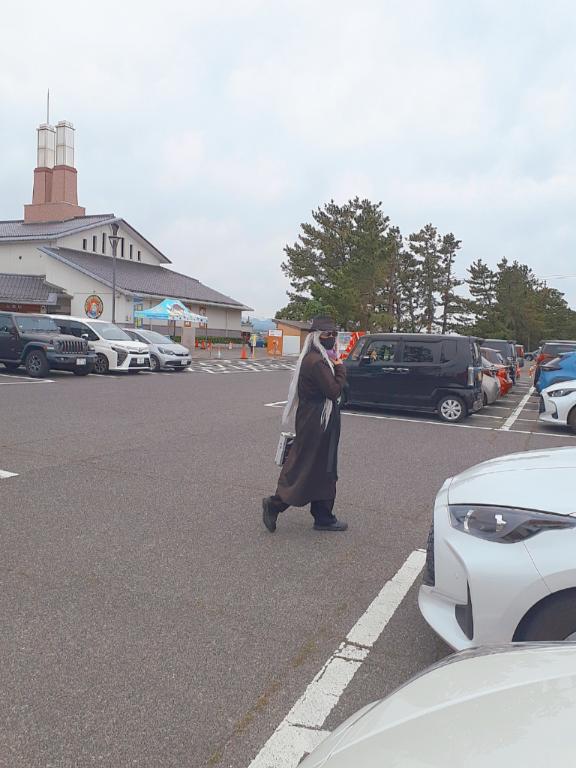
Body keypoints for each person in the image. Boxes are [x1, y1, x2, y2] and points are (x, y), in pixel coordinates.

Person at [262, 316, 348, 532]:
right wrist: (341, 369)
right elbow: (333, 391)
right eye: (328, 334)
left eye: (334, 334)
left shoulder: (316, 358)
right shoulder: (317, 361)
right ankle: (276, 504)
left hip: (315, 419)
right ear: (317, 337)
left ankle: (323, 515)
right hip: (317, 422)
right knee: (309, 466)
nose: (332, 338)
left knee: (320, 467)